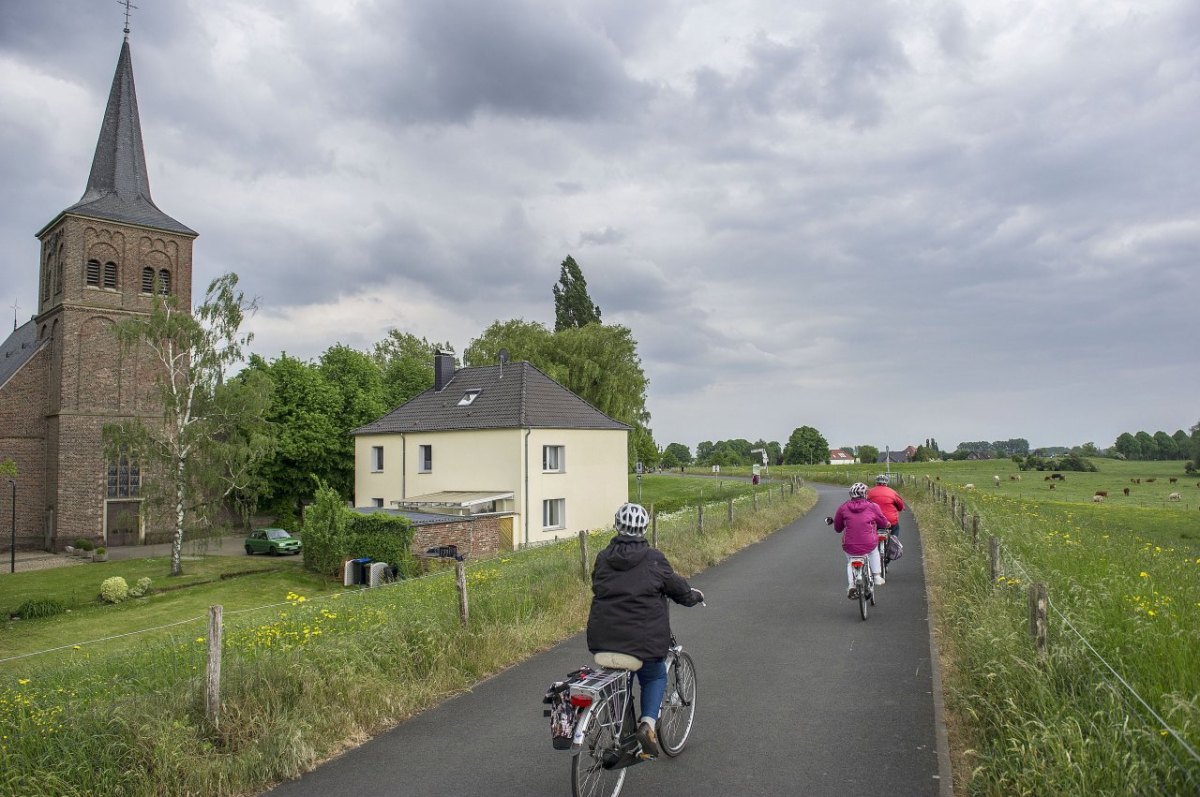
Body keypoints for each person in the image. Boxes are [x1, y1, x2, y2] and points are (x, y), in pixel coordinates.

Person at [586, 502, 704, 758]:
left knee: (619, 677)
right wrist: (693, 596)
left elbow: (597, 586)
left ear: (617, 526)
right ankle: (647, 725)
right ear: (644, 529)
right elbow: (678, 589)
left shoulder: (603, 557)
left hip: (604, 638)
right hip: (645, 642)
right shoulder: (654, 559)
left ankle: (615, 727)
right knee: (653, 675)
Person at [832, 482, 891, 598]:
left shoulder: (843, 507)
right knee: (874, 552)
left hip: (849, 544)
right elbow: (883, 522)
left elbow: (838, 528)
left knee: (850, 562)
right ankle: (877, 576)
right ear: (865, 494)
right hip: (869, 542)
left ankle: (852, 585)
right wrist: (887, 524)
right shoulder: (873, 506)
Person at [867, 474, 905, 539]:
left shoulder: (869, 492)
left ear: (876, 483)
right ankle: (894, 540)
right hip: (890, 521)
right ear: (886, 483)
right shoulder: (892, 492)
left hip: (874, 520)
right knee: (896, 528)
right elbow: (900, 505)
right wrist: (900, 508)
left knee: (870, 531)